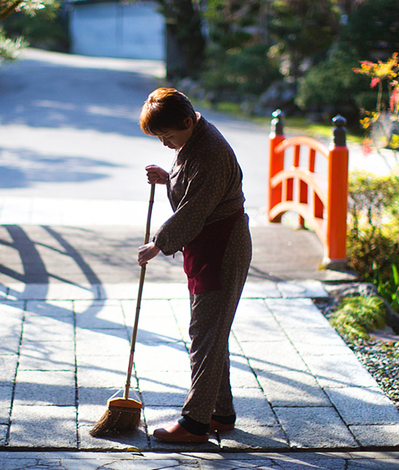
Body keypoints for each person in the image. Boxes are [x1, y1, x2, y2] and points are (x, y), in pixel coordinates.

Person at [137, 87, 252, 443]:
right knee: (211, 334)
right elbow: (194, 189)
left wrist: (159, 243)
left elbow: (195, 209)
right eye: (160, 139)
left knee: (205, 336)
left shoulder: (210, 153)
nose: (166, 144)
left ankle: (195, 422)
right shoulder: (198, 138)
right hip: (210, 245)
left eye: (168, 136)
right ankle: (220, 412)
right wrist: (169, 179)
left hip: (222, 247)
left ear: (187, 121)